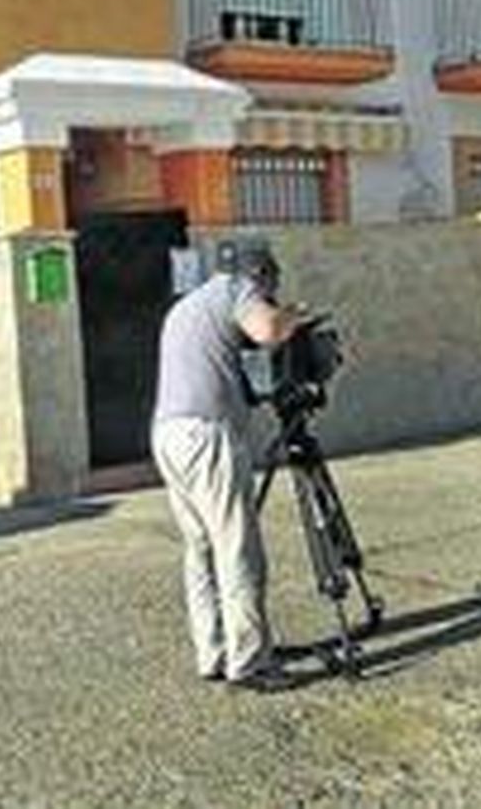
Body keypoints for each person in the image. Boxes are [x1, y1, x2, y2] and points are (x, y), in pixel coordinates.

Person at [151, 246, 304, 692]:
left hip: (169, 434)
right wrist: (292, 316)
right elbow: (269, 330)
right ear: (260, 275)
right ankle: (251, 662)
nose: (269, 294)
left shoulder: (187, 306)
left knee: (199, 549)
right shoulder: (237, 290)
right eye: (270, 286)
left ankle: (213, 652)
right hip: (207, 436)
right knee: (237, 547)